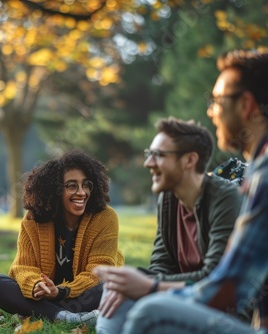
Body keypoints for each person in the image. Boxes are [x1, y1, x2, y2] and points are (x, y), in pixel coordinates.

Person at [120, 50, 268, 333]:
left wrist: (151, 288)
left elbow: (229, 289)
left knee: (151, 314)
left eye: (217, 101)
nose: (211, 111)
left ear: (246, 105)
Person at [93, 118, 243, 334]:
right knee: (117, 287)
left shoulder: (226, 199)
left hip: (221, 310)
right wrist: (133, 283)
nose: (148, 163)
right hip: (178, 298)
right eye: (149, 154)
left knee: (148, 306)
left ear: (189, 160)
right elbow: (161, 263)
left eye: (159, 155)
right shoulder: (169, 197)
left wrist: (148, 286)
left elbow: (214, 278)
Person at [0, 150, 124, 327]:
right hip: (45, 297)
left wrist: (61, 292)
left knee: (113, 285)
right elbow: (22, 267)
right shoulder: (33, 219)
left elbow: (100, 271)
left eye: (86, 185)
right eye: (72, 186)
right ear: (55, 190)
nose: (81, 192)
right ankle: (68, 316)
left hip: (83, 294)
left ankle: (46, 313)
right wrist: (35, 286)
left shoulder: (105, 217)